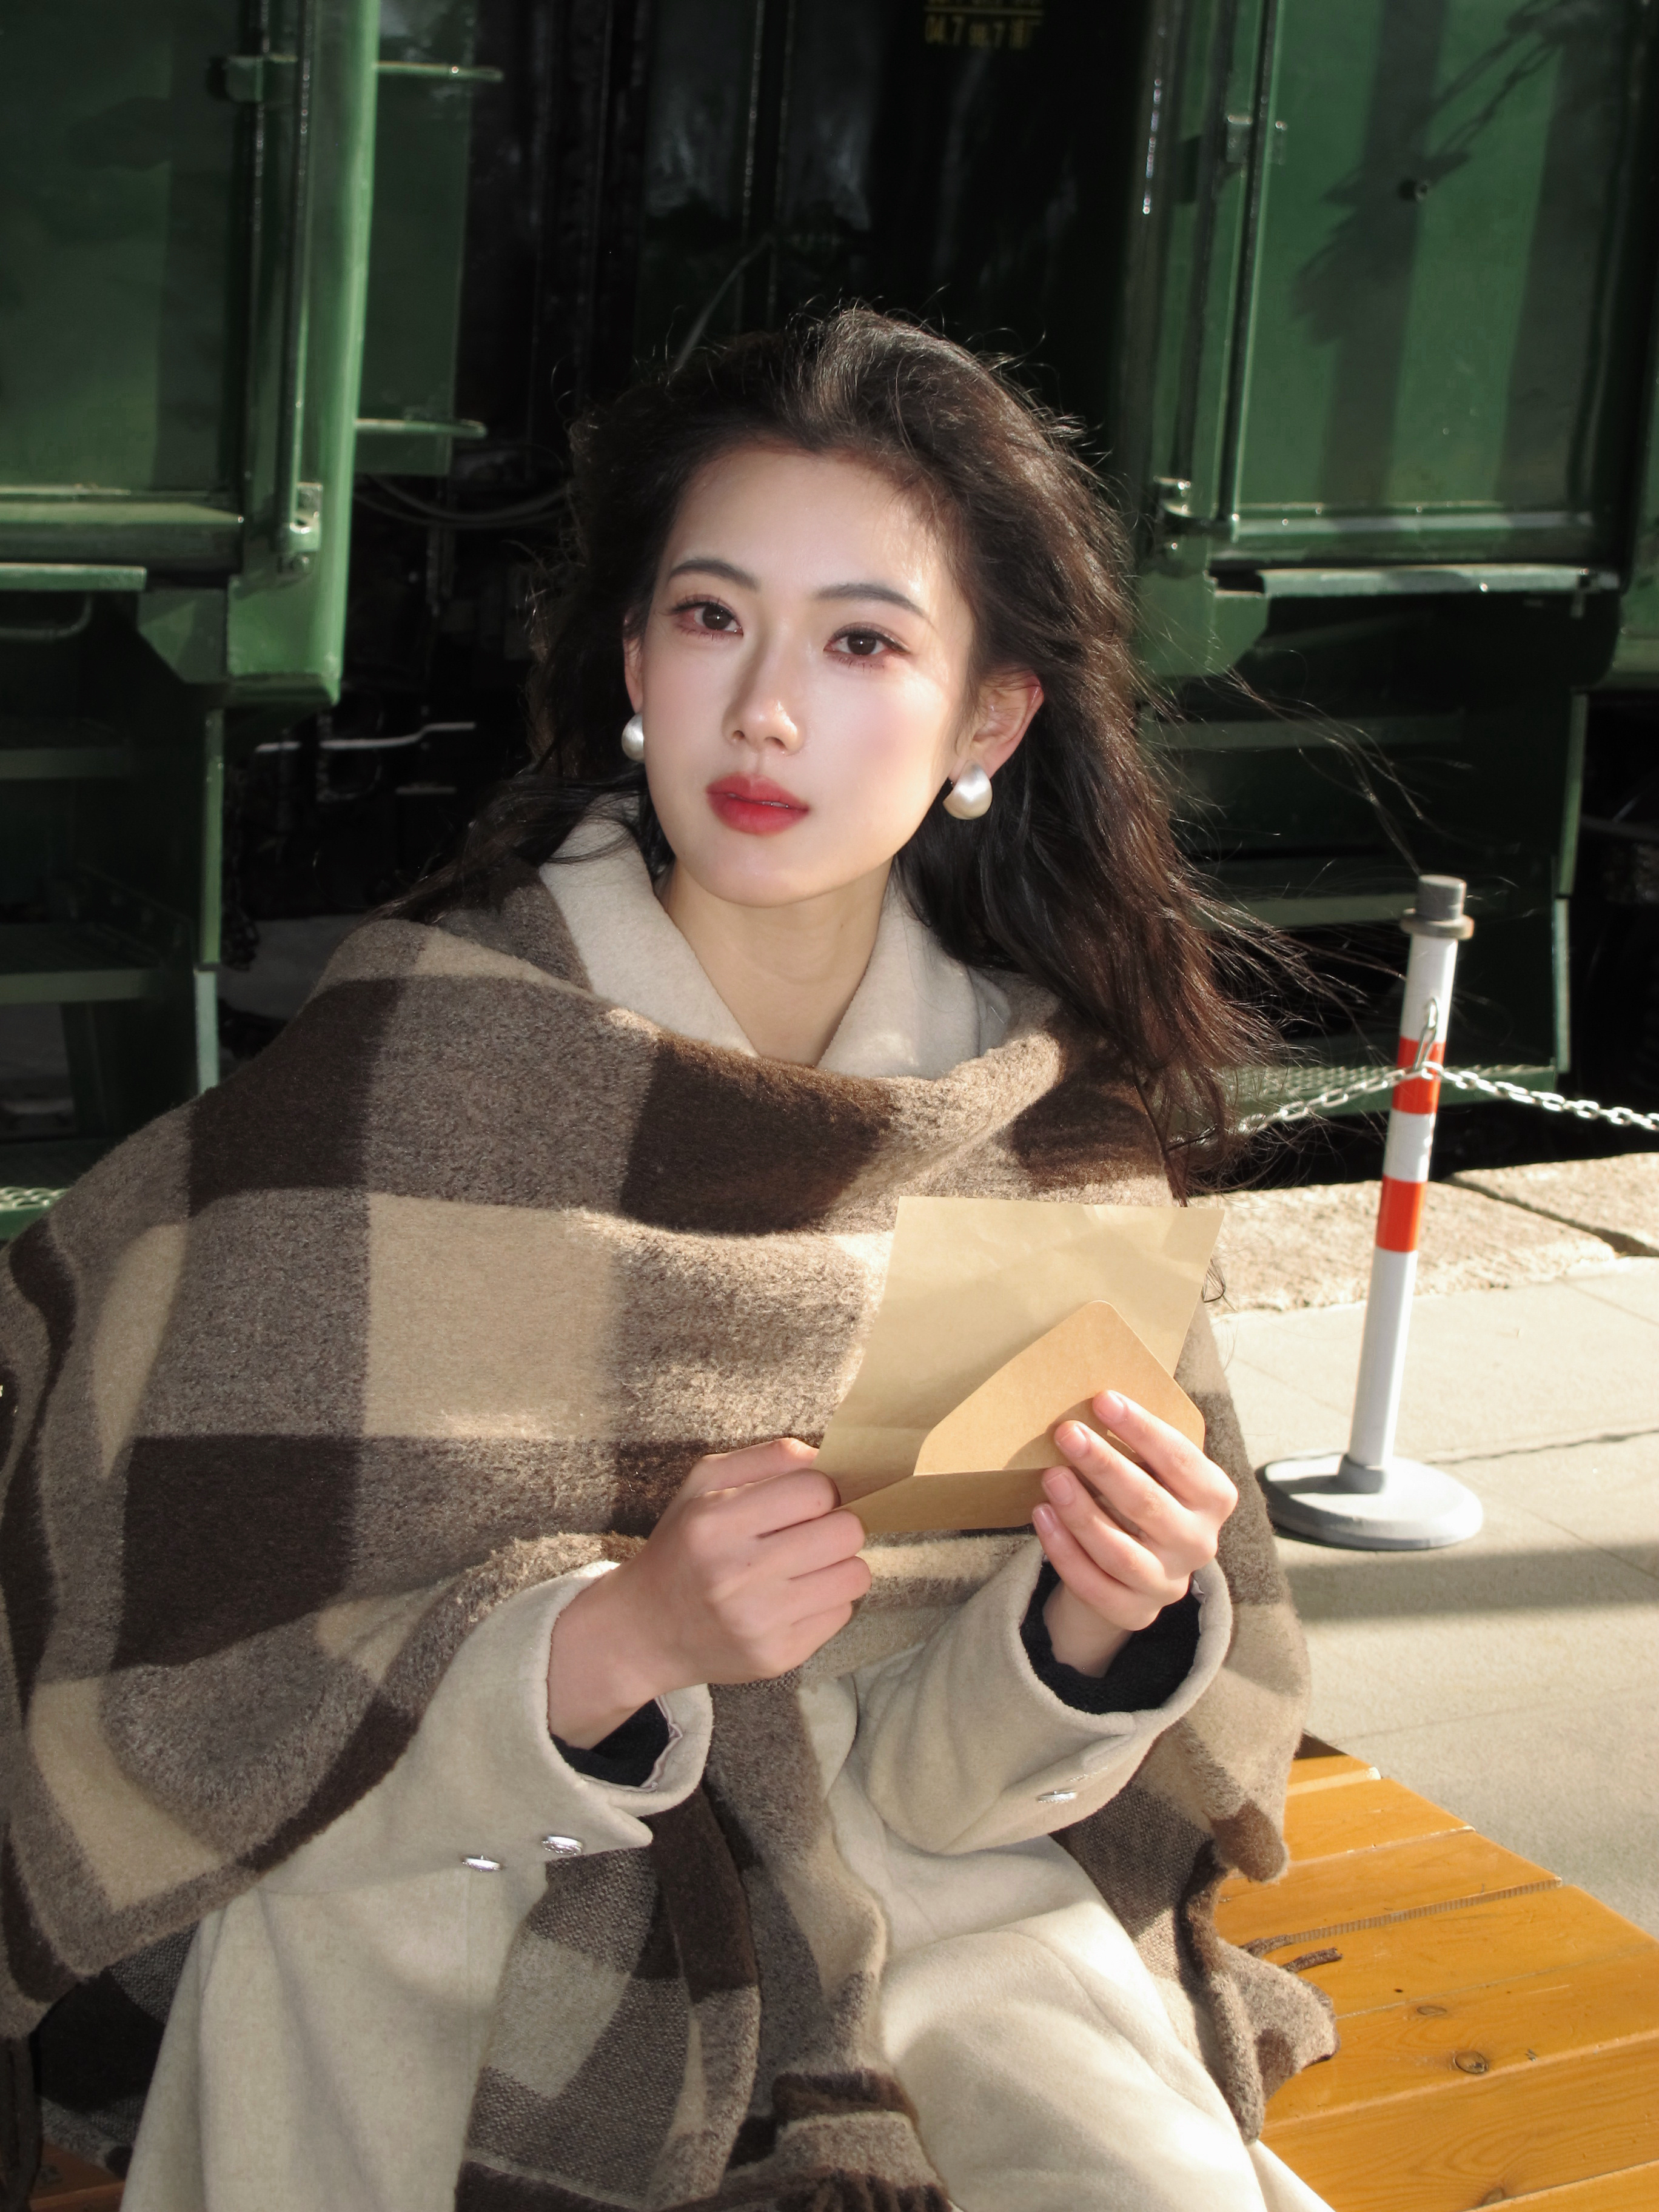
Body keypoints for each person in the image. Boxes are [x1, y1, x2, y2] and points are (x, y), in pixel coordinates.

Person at [1, 310, 1335, 2212]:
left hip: (921, 1898)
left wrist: (1084, 1635)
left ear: (989, 721)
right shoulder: (411, 1079)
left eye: (862, 642)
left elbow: (951, 1795)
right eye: (713, 618)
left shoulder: (1055, 1139)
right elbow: (218, 1717)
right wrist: (616, 1641)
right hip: (445, 1880)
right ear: (635, 662)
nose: (766, 709)